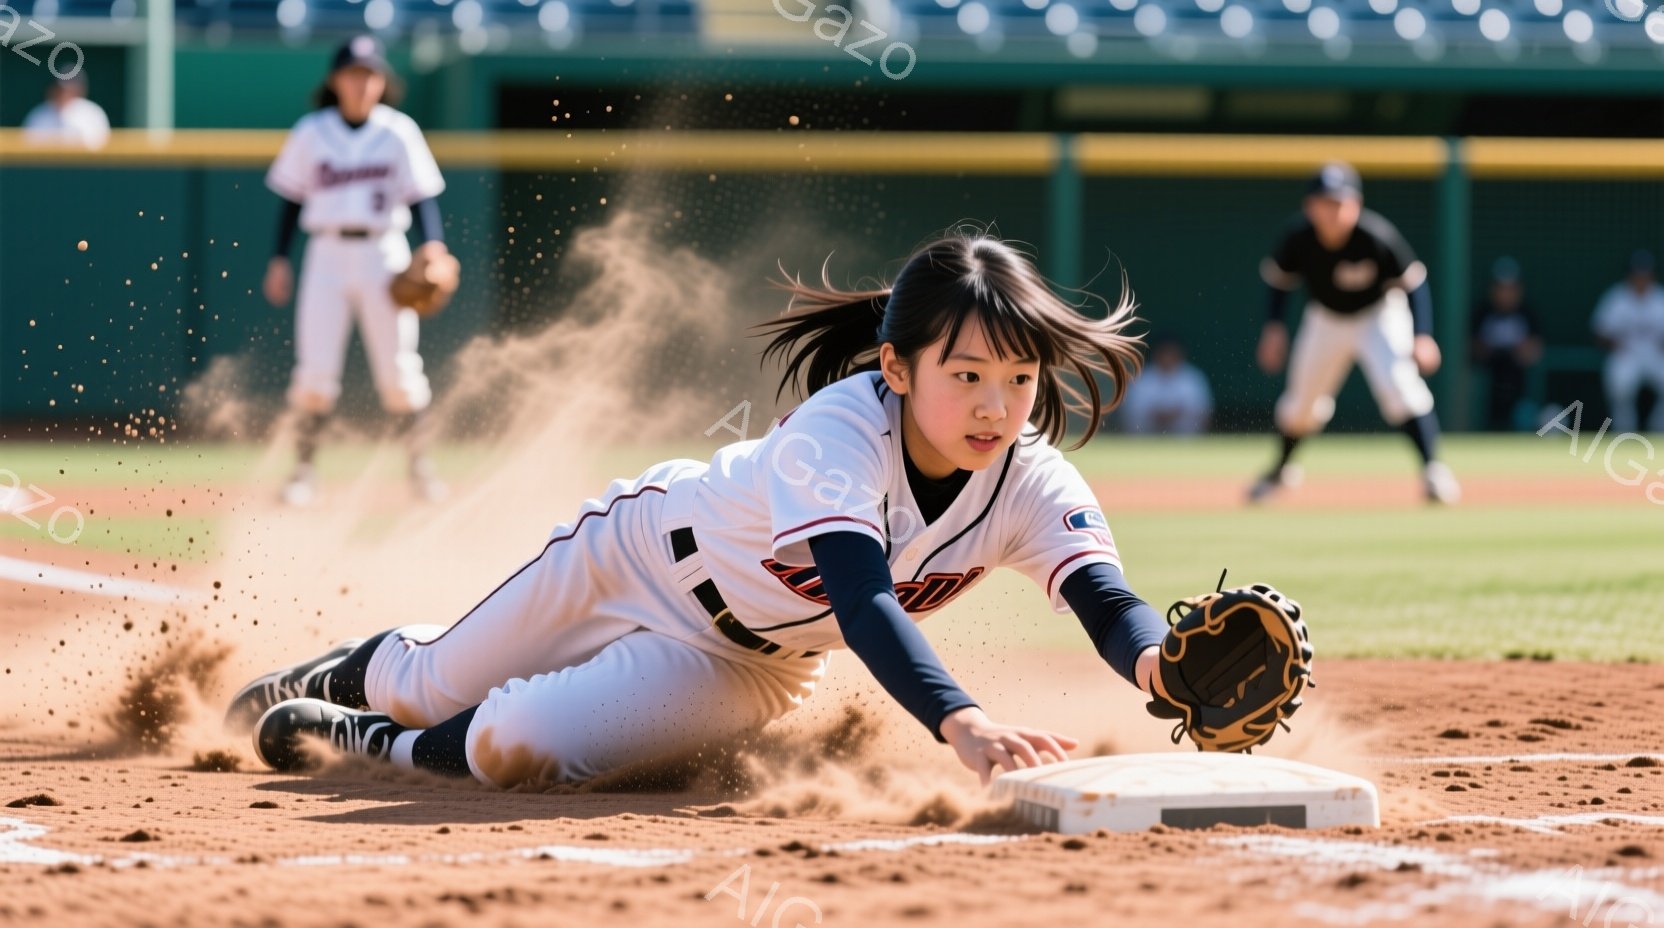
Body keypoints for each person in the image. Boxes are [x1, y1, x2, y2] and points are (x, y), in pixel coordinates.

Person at [225, 231, 1178, 788]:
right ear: (896, 366)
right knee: (430, 682)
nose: (996, 404)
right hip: (637, 555)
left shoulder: (1030, 475)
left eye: (1019, 377)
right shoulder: (838, 430)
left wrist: (1165, 671)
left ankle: (367, 741)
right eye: (966, 373)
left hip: (751, 666)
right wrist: (961, 721)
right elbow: (861, 597)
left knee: (519, 749)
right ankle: (363, 675)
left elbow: (1105, 601)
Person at [262, 35, 452, 506]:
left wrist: (433, 246)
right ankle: (304, 473)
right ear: (336, 80)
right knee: (314, 373)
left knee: (399, 373)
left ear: (381, 80)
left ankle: (420, 470)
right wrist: (279, 258)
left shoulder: (398, 131)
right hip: (325, 255)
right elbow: (291, 200)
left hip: (382, 254)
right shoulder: (311, 130)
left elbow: (423, 195)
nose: (362, 82)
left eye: (370, 74)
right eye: (353, 73)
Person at [1250, 162, 1460, 504]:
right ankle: (1281, 472)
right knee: (1301, 404)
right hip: (1325, 318)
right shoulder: (1298, 238)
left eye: (1341, 203)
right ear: (1310, 207)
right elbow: (1279, 283)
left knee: (1400, 388)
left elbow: (1414, 283)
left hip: (1379, 315)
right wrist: (1273, 329)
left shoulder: (1376, 236)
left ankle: (1433, 470)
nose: (1333, 211)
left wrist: (1423, 334)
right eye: (1325, 202)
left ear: (1356, 205)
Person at [1591, 249, 1664, 434]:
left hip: (1655, 354)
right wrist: (1613, 343)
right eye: (1637, 274)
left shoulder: (1659, 297)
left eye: (1645, 274)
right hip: (1626, 354)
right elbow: (1599, 331)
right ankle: (1624, 434)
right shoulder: (1617, 297)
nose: (1641, 279)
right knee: (1620, 386)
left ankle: (1659, 432)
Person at [1469, 257, 1543, 432]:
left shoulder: (1528, 314)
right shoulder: (1482, 313)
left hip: (1519, 379)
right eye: (1500, 288)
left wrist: (1518, 352)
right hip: (1488, 377)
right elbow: (1473, 347)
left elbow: (1534, 349)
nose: (1505, 294)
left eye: (1510, 289)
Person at [1119, 334, 1213, 436]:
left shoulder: (1193, 378)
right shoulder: (1141, 379)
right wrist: (1158, 416)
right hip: (1146, 441)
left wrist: (1175, 416)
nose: (1167, 357)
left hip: (1186, 441)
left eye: (1172, 353)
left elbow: (1204, 414)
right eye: (1164, 352)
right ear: (1156, 354)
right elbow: (1130, 414)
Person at [21, 75, 110, 149]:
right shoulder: (38, 114)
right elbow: (27, 147)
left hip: (85, 167)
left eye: (71, 88)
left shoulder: (93, 113)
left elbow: (100, 146)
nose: (65, 93)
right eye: (61, 89)